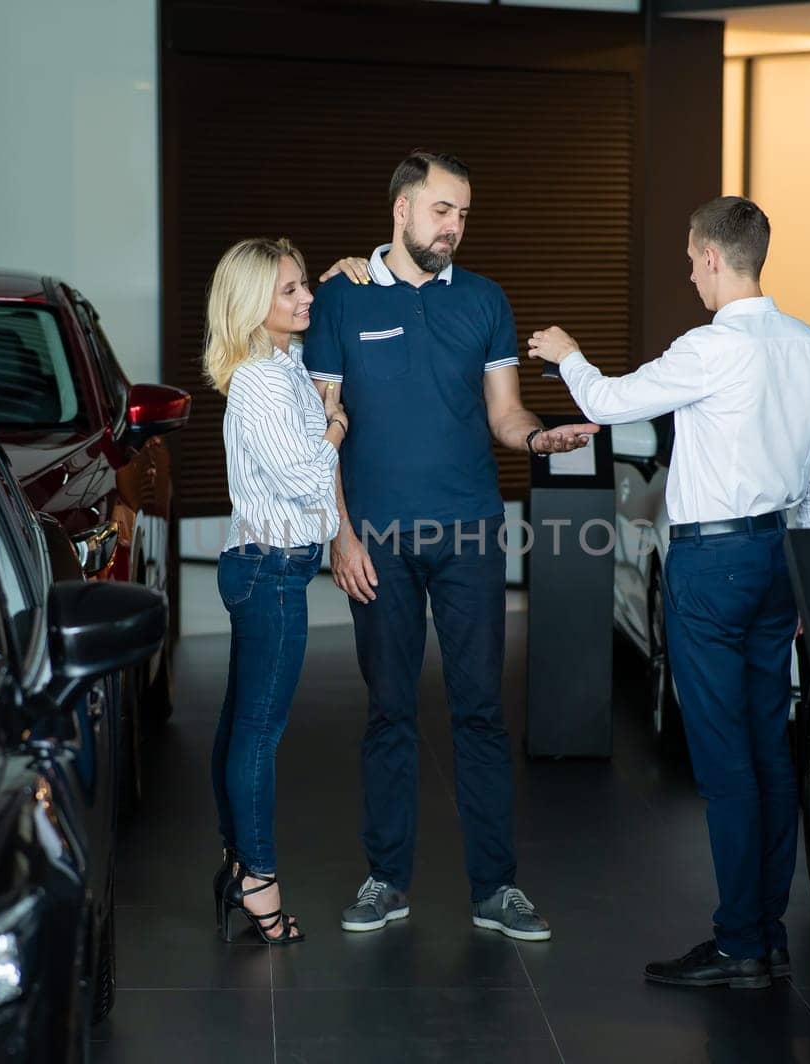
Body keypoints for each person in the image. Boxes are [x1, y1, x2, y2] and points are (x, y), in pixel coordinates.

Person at [527, 196, 810, 988]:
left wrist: (567, 353)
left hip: (710, 565)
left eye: (690, 258)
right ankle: (765, 933)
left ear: (708, 256)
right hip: (779, 558)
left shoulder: (709, 347)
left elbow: (603, 404)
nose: (689, 272)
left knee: (726, 761)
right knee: (771, 749)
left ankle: (740, 942)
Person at [305, 151, 596, 941]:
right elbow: (318, 431)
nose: (454, 227)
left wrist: (540, 439)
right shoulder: (338, 300)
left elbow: (505, 413)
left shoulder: (485, 300)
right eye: (442, 210)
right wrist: (341, 532)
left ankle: (496, 888)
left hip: (470, 529)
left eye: (463, 214)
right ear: (400, 208)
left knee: (479, 713)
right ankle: (386, 879)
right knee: (389, 711)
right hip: (379, 538)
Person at [204, 236, 348, 945]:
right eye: (290, 290)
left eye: (303, 286)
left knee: (242, 724)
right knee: (259, 735)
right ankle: (258, 882)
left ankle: (238, 864)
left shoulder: (280, 365)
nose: (306, 298)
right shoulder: (262, 379)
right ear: (252, 303)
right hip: (270, 568)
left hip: (268, 564)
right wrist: (336, 426)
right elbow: (303, 479)